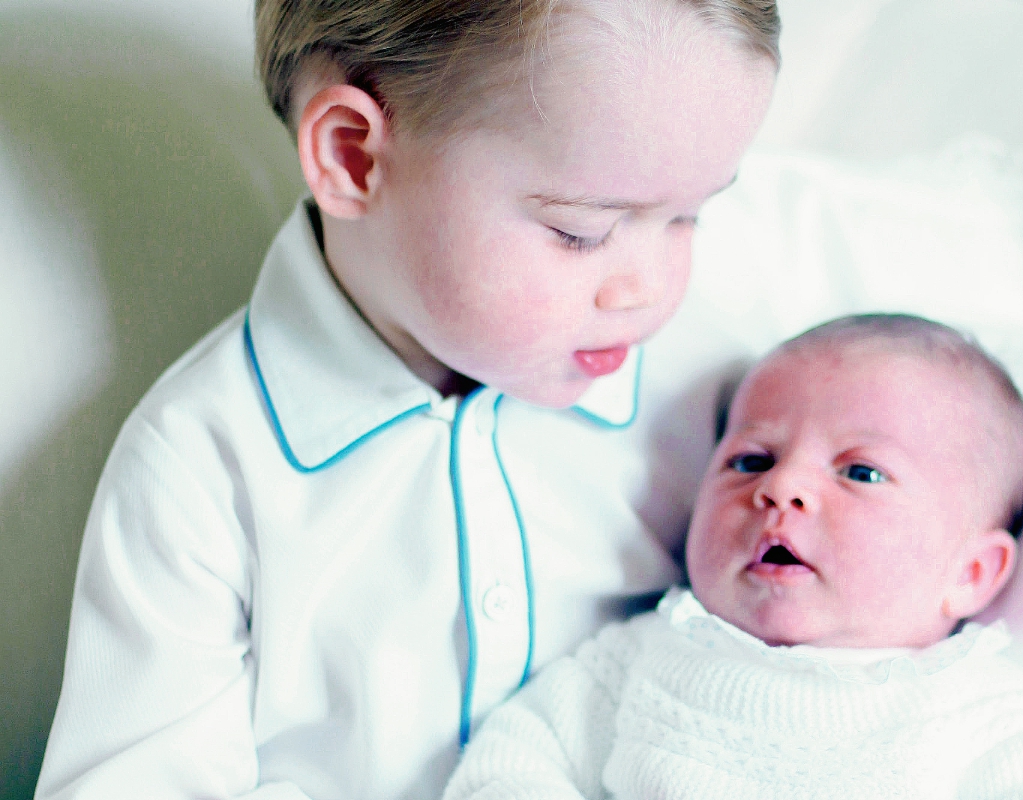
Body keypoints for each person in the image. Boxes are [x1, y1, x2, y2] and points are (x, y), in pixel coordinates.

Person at [34, 2, 778, 799]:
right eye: (581, 231)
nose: (649, 289)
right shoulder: (200, 472)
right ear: (354, 158)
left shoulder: (720, 394)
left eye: (689, 217)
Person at [443, 314, 1023, 800]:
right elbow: (508, 764)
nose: (780, 488)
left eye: (860, 473)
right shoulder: (641, 661)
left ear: (970, 573)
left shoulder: (974, 713)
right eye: (750, 459)